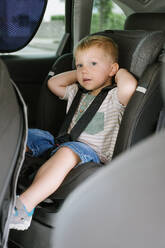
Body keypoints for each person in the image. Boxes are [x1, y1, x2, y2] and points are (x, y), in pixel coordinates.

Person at [9, 35, 137, 230]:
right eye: (79, 65)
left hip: (91, 153)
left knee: (68, 153)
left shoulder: (114, 97)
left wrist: (117, 73)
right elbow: (54, 84)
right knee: (29, 133)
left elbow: (129, 87)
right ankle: (9, 177)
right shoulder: (76, 91)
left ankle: (23, 208)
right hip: (62, 143)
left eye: (93, 63)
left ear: (112, 69)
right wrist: (82, 73)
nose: (85, 70)